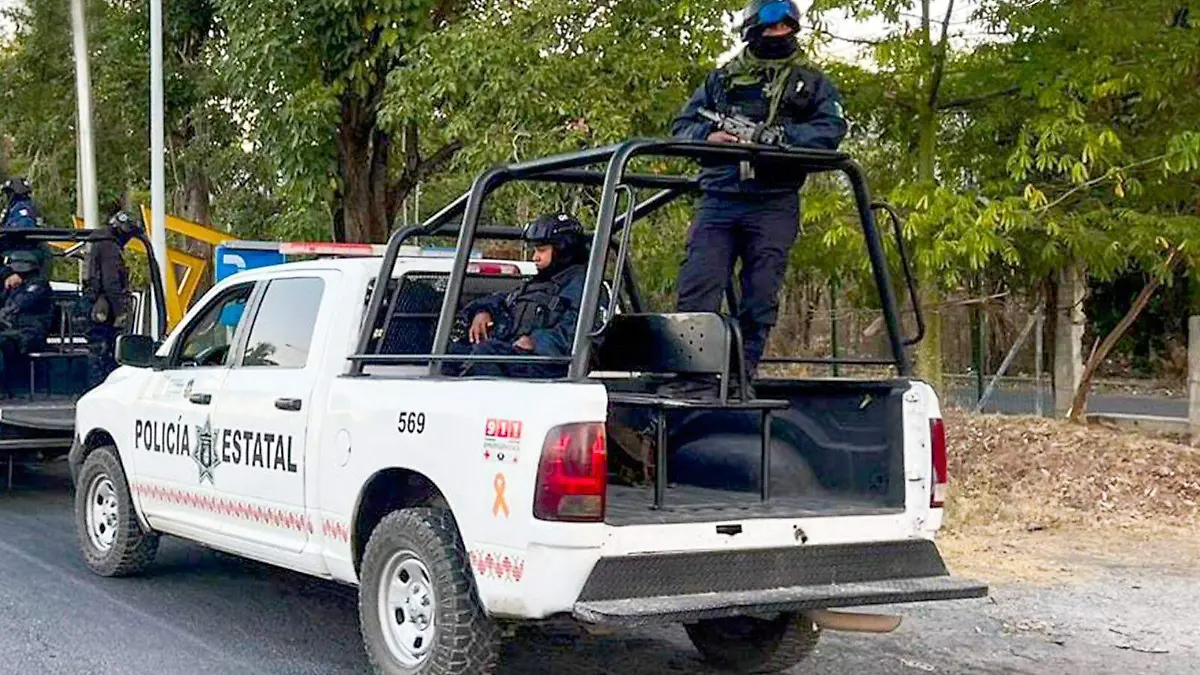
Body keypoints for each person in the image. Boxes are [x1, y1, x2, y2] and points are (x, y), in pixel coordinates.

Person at [670, 0, 848, 384]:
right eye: (771, 30)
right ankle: (692, 375)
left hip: (773, 200)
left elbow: (830, 132)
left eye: (786, 29)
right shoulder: (720, 81)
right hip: (720, 196)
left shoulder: (811, 81)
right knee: (698, 286)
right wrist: (709, 138)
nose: (779, 35)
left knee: (761, 294)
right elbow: (681, 128)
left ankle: (741, 374)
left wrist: (779, 140)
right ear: (753, 31)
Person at [443, 212, 594, 379]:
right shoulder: (541, 282)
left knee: (486, 354)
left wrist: (536, 342)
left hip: (549, 367)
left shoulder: (584, 286)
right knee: (450, 354)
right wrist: (483, 311)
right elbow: (506, 299)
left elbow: (583, 334)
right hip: (516, 357)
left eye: (542, 250)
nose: (535, 257)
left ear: (563, 250)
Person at [82, 210, 137, 387]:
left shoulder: (97, 241)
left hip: (94, 303)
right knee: (105, 352)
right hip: (104, 308)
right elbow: (111, 281)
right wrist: (120, 311)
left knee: (98, 349)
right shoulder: (108, 246)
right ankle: (101, 389)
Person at [0, 250, 53, 391]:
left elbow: (19, 305)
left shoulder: (38, 285)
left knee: (3, 343)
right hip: (13, 329)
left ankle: (6, 388)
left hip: (31, 331)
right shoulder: (13, 286)